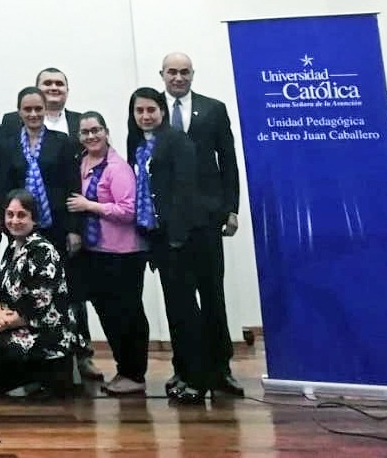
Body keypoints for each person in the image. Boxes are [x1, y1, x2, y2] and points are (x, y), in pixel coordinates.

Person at [0, 87, 96, 379]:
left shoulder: (62, 142)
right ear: (19, 112)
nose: (33, 114)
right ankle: (36, 359)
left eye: (38, 109)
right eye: (27, 109)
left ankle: (82, 354)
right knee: (27, 292)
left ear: (45, 110)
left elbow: (73, 186)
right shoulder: (8, 145)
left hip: (58, 227)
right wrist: (4, 221)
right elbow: (2, 185)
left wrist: (74, 229)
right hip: (22, 231)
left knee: (70, 294)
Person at [160, 52, 244, 397]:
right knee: (177, 301)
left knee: (212, 295)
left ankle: (220, 369)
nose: (178, 78)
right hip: (168, 225)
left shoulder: (213, 109)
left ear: (193, 74)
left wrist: (231, 209)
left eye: (184, 72)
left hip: (207, 220)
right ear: (162, 74)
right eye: (172, 72)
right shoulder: (151, 110)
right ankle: (184, 368)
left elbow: (228, 161)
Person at [126, 87, 206, 403]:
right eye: (139, 111)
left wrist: (177, 235)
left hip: (179, 238)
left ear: (162, 110)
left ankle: (198, 378)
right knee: (174, 309)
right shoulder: (138, 144)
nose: (145, 116)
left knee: (186, 310)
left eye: (151, 110)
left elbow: (186, 191)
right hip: (156, 238)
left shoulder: (177, 140)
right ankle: (182, 370)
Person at [66, 111, 148, 395]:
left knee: (128, 315)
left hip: (123, 254)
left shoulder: (117, 168)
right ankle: (123, 369)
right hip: (96, 252)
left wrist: (90, 206)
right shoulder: (82, 163)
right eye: (85, 132)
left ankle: (134, 374)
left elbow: (128, 210)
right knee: (108, 315)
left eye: (96, 130)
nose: (91, 136)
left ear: (106, 131)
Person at [0, 189, 75, 399]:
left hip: (46, 332)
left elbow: (37, 305)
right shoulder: (12, 248)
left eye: (21, 215)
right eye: (10, 214)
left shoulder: (42, 250)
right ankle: (33, 380)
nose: (14, 220)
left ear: (34, 219)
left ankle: (53, 375)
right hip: (19, 323)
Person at [1, 67, 82, 141]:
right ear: (36, 89)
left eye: (59, 84)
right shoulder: (12, 120)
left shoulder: (80, 121)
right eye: (47, 83)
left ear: (67, 91)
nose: (54, 88)